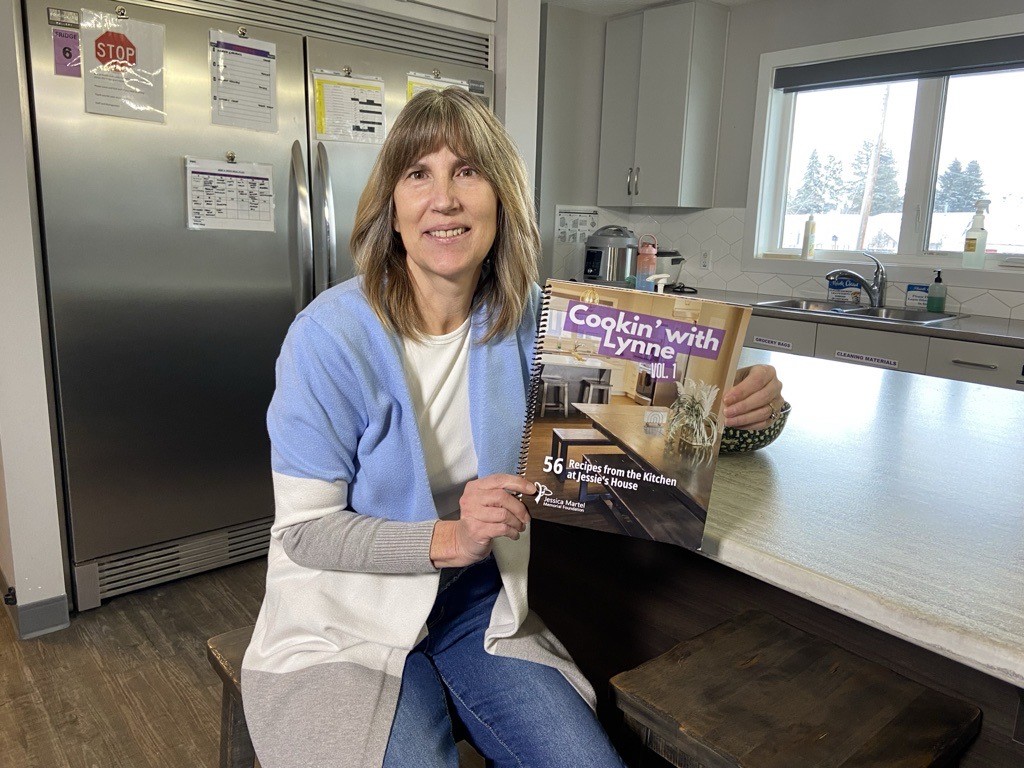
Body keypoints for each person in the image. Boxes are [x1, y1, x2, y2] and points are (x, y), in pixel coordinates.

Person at [241, 87, 785, 768]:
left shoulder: (541, 324)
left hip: (475, 605)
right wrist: (451, 537)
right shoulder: (328, 337)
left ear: (501, 199)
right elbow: (305, 531)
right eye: (419, 174)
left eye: (467, 171)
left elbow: (661, 419)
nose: (444, 199)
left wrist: (751, 407)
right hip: (345, 612)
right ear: (392, 207)